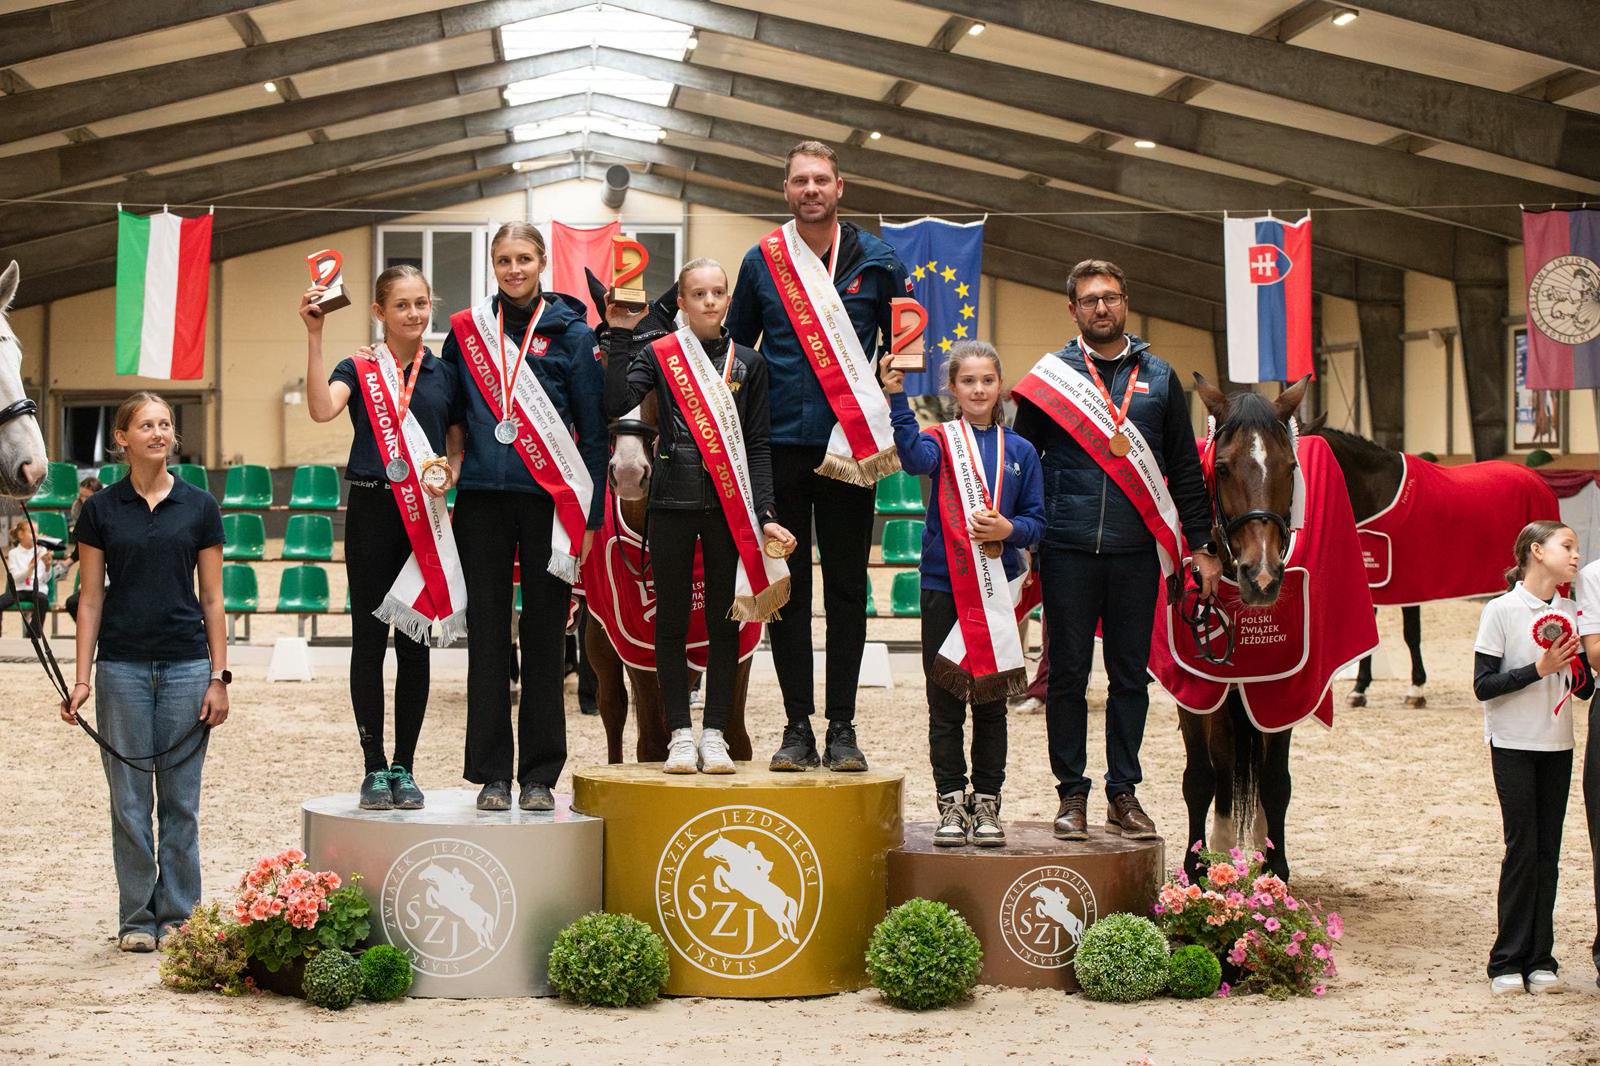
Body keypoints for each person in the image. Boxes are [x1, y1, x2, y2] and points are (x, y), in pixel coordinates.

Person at [1012, 259, 1220, 843]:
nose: (1101, 308)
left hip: (1135, 552)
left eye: (1110, 297)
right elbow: (1022, 461)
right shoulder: (1052, 378)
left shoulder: (1161, 377)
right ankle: (1071, 793)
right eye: (1089, 300)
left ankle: (1123, 792)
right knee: (1067, 676)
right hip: (1067, 548)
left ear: (1125, 301)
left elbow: (1184, 470)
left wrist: (1201, 546)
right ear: (1072, 309)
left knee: (1131, 677)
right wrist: (1025, 534)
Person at [727, 139, 914, 772]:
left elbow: (905, 344)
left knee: (847, 588)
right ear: (786, 190)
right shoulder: (762, 261)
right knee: (788, 586)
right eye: (800, 180)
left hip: (850, 447)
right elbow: (737, 352)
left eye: (821, 179)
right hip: (778, 445)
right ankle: (796, 726)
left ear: (840, 187)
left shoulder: (879, 261)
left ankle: (842, 727)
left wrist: (895, 381)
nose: (811, 189)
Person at [604, 257, 794, 774]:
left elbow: (757, 445)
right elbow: (617, 400)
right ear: (682, 302)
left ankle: (714, 733)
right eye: (698, 294)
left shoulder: (750, 363)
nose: (709, 301)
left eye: (717, 292)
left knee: (723, 620)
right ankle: (680, 735)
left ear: (728, 299)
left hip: (729, 510)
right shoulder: (660, 354)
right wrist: (620, 335)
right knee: (670, 620)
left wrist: (765, 511)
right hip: (670, 503)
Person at [442, 222, 606, 812]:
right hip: (481, 501)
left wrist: (591, 520)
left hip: (551, 504)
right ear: (494, 265)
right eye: (504, 260)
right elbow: (448, 408)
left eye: (524, 259)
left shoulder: (574, 334)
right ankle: (491, 774)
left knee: (545, 637)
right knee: (487, 638)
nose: (514, 269)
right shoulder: (467, 333)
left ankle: (539, 775)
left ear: (542, 263)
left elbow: (593, 433)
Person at [60, 392, 228, 953]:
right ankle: (136, 918)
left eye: (165, 424)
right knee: (129, 802)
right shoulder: (100, 510)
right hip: (121, 669)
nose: (158, 433)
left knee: (181, 801)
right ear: (122, 438)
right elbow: (89, 600)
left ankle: (179, 916)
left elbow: (213, 600)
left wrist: (219, 676)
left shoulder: (200, 506)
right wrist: (82, 678)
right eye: (146, 425)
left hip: (187, 666)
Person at [299, 264, 464, 812]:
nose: (414, 313)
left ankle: (405, 767)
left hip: (424, 516)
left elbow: (457, 445)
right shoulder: (359, 367)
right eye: (401, 305)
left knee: (415, 643)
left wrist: (450, 474)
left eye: (421, 303)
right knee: (369, 644)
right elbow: (321, 409)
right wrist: (316, 335)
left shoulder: (444, 373)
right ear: (379, 312)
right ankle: (373, 767)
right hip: (372, 509)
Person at [883, 340, 1042, 847]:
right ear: (952, 387)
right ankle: (951, 801)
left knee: (991, 701)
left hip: (997, 590)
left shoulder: (1021, 451)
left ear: (1000, 386)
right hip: (943, 586)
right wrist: (897, 398)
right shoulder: (940, 439)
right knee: (946, 701)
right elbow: (913, 461)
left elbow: (1037, 521)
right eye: (968, 381)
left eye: (987, 380)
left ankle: (988, 802)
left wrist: (1009, 530)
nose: (978, 389)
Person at [1476, 520, 1590, 995]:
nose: (1576, 555)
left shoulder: (1571, 611)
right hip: (1513, 743)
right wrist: (1538, 669)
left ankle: (1542, 959)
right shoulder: (1500, 610)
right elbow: (1484, 686)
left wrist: (1577, 665)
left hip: (1558, 743)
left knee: (1549, 854)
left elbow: (1581, 690)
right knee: (1522, 851)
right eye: (1568, 546)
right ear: (1537, 551)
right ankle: (1506, 960)